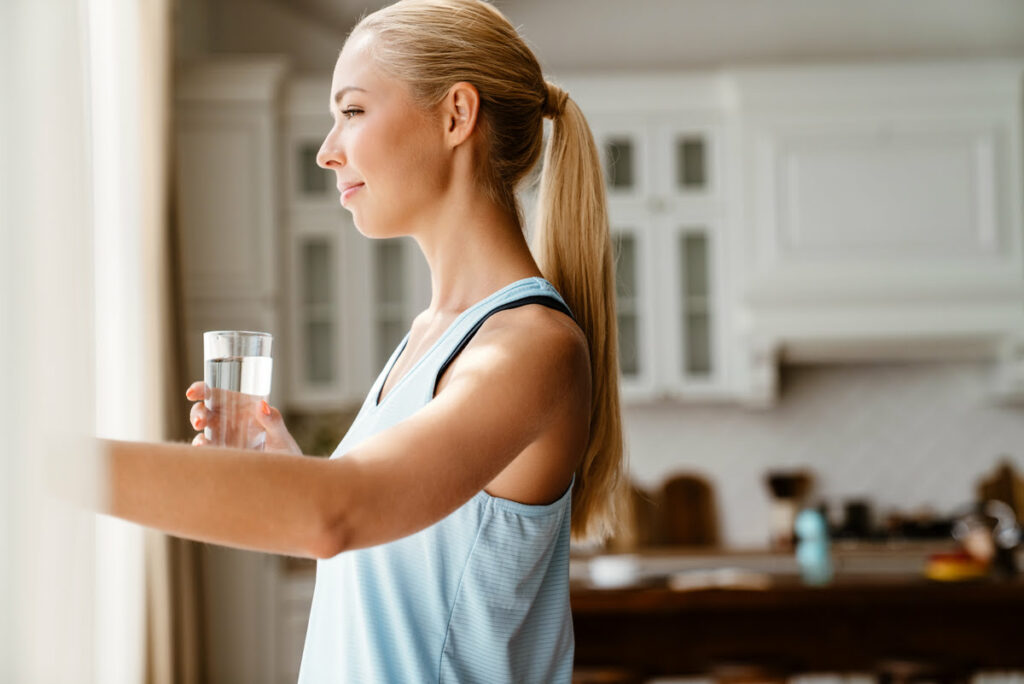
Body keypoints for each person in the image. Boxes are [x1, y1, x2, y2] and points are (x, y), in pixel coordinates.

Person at [103, 0, 626, 681]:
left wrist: (50, 467)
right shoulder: (429, 339)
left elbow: (338, 513)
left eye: (351, 111)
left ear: (456, 116)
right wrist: (289, 473)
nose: (328, 150)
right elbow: (376, 555)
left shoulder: (530, 347)